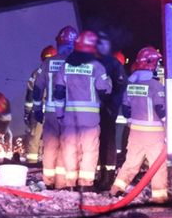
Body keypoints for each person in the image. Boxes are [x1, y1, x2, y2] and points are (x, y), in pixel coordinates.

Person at [54, 30, 111, 190]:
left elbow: (58, 93)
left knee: (69, 149)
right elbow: (104, 91)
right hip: (90, 119)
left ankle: (70, 184)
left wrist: (59, 115)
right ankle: (85, 185)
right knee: (89, 151)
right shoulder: (97, 67)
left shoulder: (65, 66)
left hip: (69, 118)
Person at [110, 47, 168, 203]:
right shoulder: (156, 86)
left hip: (135, 132)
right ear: (151, 64)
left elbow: (126, 110)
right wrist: (169, 126)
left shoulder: (130, 85)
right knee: (157, 166)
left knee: (131, 163)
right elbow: (161, 109)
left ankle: (116, 189)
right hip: (154, 133)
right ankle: (160, 198)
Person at [31, 26, 77, 188]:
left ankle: (48, 181)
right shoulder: (78, 64)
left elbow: (37, 88)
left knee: (50, 147)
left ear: (59, 43)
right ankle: (63, 183)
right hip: (70, 114)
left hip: (51, 113)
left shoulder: (48, 63)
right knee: (67, 147)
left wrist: (37, 109)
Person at [95, 31, 126, 190]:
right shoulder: (92, 62)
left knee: (108, 142)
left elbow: (120, 87)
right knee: (96, 143)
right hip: (93, 110)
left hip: (107, 110)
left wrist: (111, 106)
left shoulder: (114, 64)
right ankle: (98, 175)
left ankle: (108, 177)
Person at [23, 45, 57, 164]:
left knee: (34, 138)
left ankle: (32, 163)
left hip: (39, 111)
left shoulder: (37, 73)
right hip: (56, 112)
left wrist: (27, 113)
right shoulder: (64, 71)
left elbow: (30, 96)